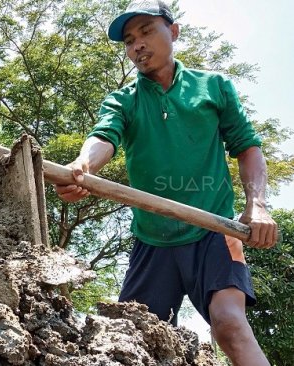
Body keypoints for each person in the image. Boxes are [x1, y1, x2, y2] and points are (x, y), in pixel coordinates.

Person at [54, 1, 278, 365]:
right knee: (124, 341)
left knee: (230, 326)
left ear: (172, 33)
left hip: (214, 233)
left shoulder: (214, 87)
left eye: (146, 32)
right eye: (129, 40)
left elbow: (247, 147)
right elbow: (103, 137)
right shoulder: (123, 101)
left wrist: (258, 204)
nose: (137, 45)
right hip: (152, 242)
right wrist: (84, 165)